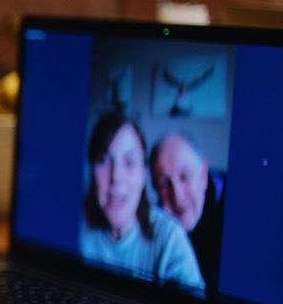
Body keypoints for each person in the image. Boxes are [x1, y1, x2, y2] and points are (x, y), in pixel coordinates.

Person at [79, 113, 204, 292]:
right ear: (91, 168)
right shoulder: (74, 226)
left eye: (129, 162)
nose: (116, 177)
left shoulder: (171, 240)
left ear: (144, 174)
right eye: (104, 160)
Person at [149, 132, 226, 291]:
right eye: (164, 183)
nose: (177, 196)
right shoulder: (157, 225)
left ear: (203, 175)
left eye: (184, 177)